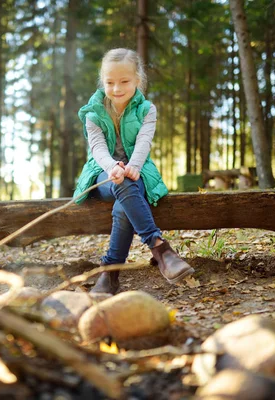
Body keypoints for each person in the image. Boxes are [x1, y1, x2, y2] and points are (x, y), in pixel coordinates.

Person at [73, 48, 194, 295]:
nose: (117, 89)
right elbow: (97, 147)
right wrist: (111, 167)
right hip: (101, 172)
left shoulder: (147, 110)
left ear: (138, 80)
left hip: (137, 171)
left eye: (124, 82)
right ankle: (160, 249)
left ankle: (110, 274)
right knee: (120, 184)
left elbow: (143, 143)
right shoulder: (93, 112)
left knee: (123, 204)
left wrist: (133, 166)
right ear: (102, 82)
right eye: (110, 83)